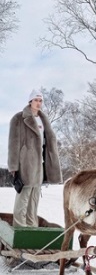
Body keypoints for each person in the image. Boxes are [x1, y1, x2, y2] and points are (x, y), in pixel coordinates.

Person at [8, 89, 62, 227]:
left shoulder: (44, 120)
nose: (38, 103)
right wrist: (14, 167)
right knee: (23, 198)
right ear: (30, 101)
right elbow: (13, 144)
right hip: (26, 164)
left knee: (34, 199)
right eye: (36, 100)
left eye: (40, 100)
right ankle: (19, 228)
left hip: (40, 165)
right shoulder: (18, 119)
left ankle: (32, 227)